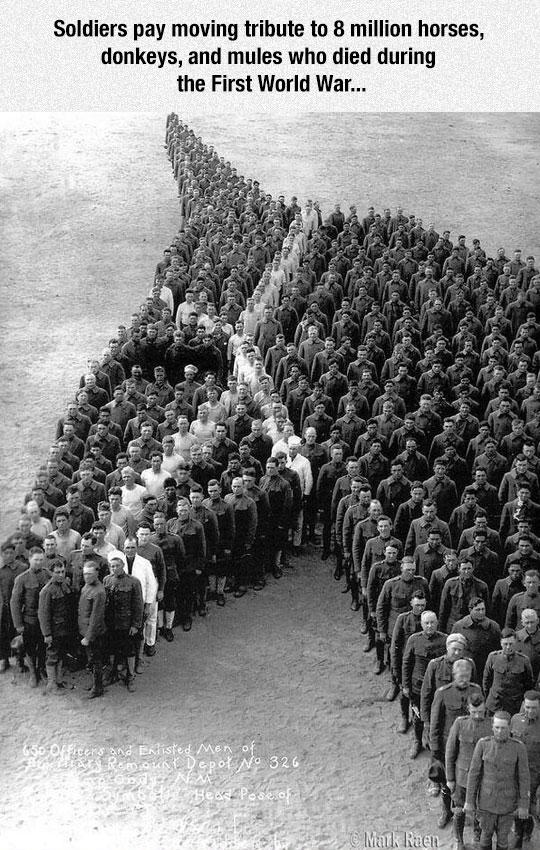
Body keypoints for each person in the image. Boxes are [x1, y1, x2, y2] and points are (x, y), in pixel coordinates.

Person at [430, 658, 484, 829]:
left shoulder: (476, 690)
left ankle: (472, 815)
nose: (464, 679)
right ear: (453, 675)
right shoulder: (443, 692)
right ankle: (446, 811)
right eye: (461, 676)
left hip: (470, 746)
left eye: (467, 676)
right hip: (448, 746)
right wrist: (435, 750)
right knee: (448, 782)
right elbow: (435, 723)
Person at [465, 711, 530, 850]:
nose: (500, 731)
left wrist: (524, 804)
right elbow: (474, 774)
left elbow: (524, 777)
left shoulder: (518, 747)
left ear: (510, 728)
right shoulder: (483, 745)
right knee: (486, 835)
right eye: (497, 727)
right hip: (486, 802)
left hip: (508, 803)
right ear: (492, 727)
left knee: (503, 838)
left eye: (504, 728)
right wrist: (469, 801)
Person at [445, 693, 493, 850]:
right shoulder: (460, 724)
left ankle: (477, 836)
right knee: (459, 810)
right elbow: (450, 752)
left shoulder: (492, 725)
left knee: (481, 808)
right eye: (474, 712)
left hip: (483, 778)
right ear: (468, 709)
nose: (478, 715)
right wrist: (450, 778)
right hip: (462, 777)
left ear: (485, 707)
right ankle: (458, 839)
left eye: (481, 711)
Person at [103, 552, 144, 692]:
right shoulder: (107, 580)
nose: (115, 569)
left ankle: (130, 677)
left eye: (117, 566)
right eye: (112, 566)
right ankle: (113, 673)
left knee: (129, 651)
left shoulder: (134, 582)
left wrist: (135, 625)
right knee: (112, 649)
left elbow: (138, 605)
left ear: (123, 566)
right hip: (112, 624)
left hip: (126, 624)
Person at [10, 548, 51, 687]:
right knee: (30, 648)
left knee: (43, 647)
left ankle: (42, 670)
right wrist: (18, 625)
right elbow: (14, 603)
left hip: (45, 620)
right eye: (36, 560)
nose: (39, 562)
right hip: (30, 621)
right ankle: (33, 673)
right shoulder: (21, 579)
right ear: (29, 559)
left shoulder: (48, 575)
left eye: (41, 560)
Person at [510, 690, 540, 848]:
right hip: (516, 774)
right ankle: (518, 833)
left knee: (530, 806)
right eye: (527, 707)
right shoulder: (515, 720)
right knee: (517, 804)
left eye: (534, 708)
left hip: (535, 775)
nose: (530, 711)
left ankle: (526, 830)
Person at [483, 628, 533, 716]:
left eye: (511, 644)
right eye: (505, 644)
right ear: (501, 643)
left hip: (514, 706)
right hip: (494, 705)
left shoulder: (524, 660)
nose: (508, 647)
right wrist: (489, 698)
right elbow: (486, 681)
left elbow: (528, 684)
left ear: (516, 643)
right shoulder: (493, 657)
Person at [78, 561, 107, 699]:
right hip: (85, 630)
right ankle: (96, 684)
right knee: (91, 660)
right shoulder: (87, 586)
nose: (87, 576)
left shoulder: (99, 591)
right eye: (85, 574)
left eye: (90, 574)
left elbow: (96, 617)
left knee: (96, 661)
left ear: (97, 573)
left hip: (94, 634)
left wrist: (88, 637)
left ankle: (98, 688)